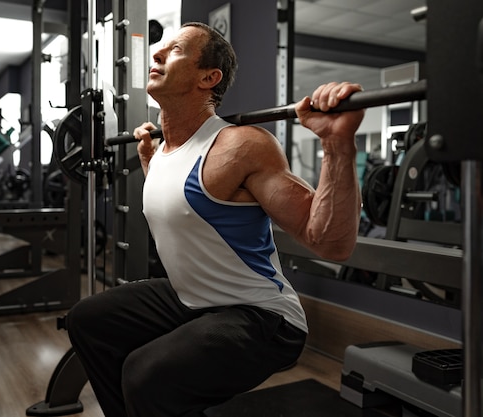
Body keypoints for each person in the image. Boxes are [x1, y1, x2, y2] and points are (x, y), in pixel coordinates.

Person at [67, 21, 364, 417]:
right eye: (159, 48)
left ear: (209, 77)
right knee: (88, 320)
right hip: (191, 298)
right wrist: (151, 162)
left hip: (261, 316)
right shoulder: (162, 151)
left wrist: (336, 144)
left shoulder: (242, 146)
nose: (156, 54)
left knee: (145, 374)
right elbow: (182, 205)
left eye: (174, 50)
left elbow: (330, 242)